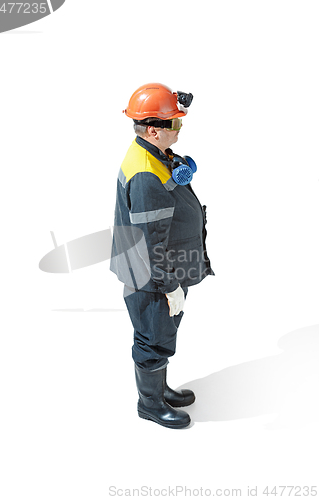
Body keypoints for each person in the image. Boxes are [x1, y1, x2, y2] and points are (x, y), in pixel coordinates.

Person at [110, 83, 214, 429]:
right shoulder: (144, 173)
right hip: (153, 276)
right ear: (154, 129)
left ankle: (160, 388)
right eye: (175, 124)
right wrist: (169, 284)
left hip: (168, 268)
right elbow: (150, 241)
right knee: (154, 337)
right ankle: (150, 404)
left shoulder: (153, 154)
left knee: (164, 332)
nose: (180, 129)